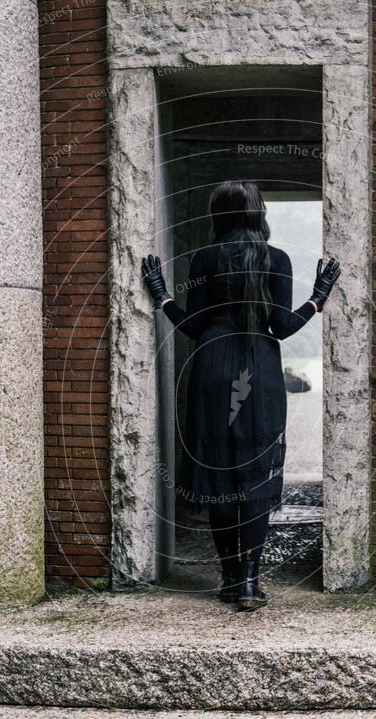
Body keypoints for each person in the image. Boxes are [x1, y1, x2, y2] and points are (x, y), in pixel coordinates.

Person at [142, 180, 340, 612]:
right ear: (258, 214)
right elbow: (283, 328)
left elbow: (192, 326)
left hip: (212, 370)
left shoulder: (205, 258)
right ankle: (250, 582)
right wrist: (317, 298)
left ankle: (230, 579)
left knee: (218, 475)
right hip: (261, 372)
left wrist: (161, 296)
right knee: (255, 477)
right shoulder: (279, 259)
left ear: (221, 215)